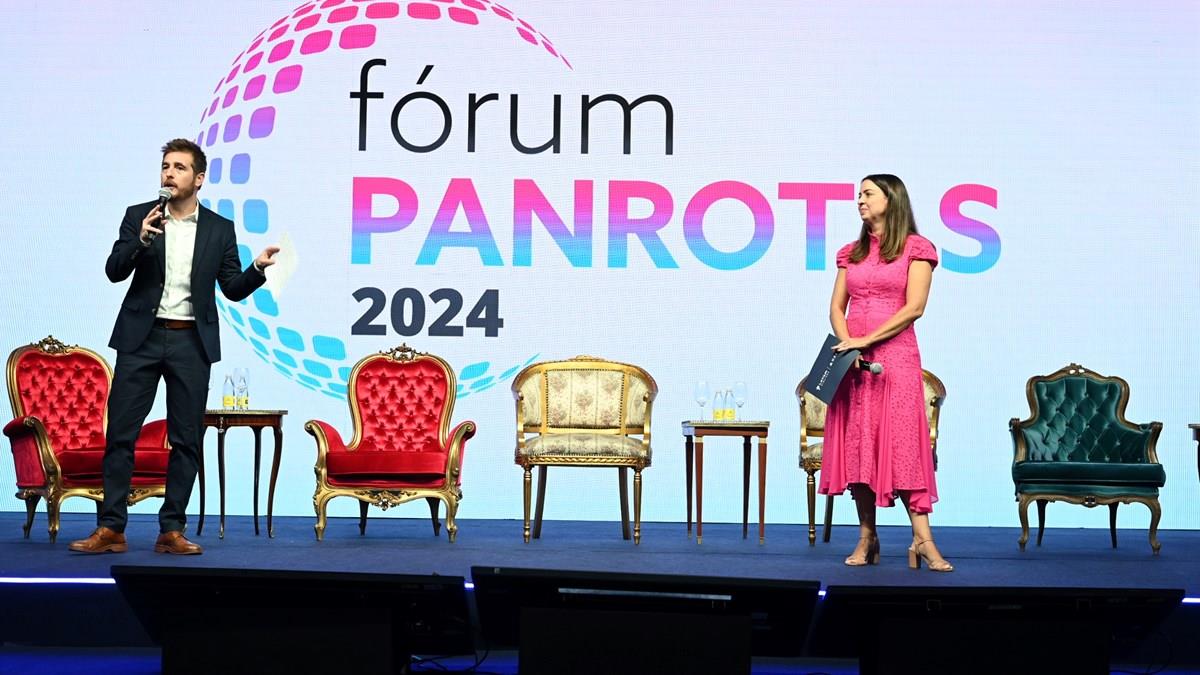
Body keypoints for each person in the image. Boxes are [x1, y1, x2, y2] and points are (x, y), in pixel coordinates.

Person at [69, 139, 279, 555]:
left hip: (191, 341)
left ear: (199, 179)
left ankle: (171, 530)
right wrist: (140, 241)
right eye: (166, 166)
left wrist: (256, 269)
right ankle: (111, 528)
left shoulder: (219, 229)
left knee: (186, 439)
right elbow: (114, 271)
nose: (169, 173)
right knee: (121, 435)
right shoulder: (140, 216)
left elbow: (231, 288)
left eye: (179, 167)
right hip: (140, 338)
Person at [817, 174, 952, 572]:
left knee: (904, 445)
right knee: (858, 446)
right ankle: (867, 536)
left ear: (891, 199)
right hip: (854, 362)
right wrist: (849, 344)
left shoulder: (916, 248)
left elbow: (914, 308)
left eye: (868, 193)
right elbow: (836, 307)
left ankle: (923, 540)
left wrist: (867, 339)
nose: (860, 200)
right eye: (858, 194)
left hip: (896, 358)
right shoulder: (851, 253)